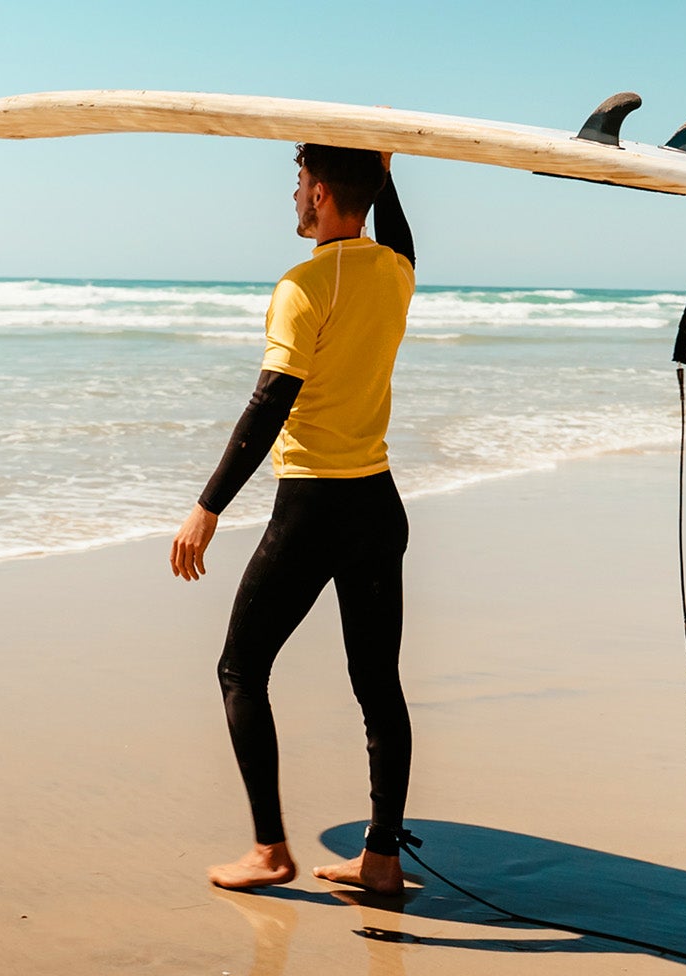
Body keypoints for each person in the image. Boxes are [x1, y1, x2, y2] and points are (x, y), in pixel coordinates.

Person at [168, 143, 417, 894]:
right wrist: (386, 166)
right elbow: (399, 234)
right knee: (379, 686)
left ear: (319, 194)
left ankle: (270, 850)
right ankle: (380, 859)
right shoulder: (395, 273)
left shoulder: (303, 285)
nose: (294, 194)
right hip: (378, 504)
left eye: (300, 181)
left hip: (312, 509)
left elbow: (271, 400)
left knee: (240, 669)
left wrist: (207, 508)